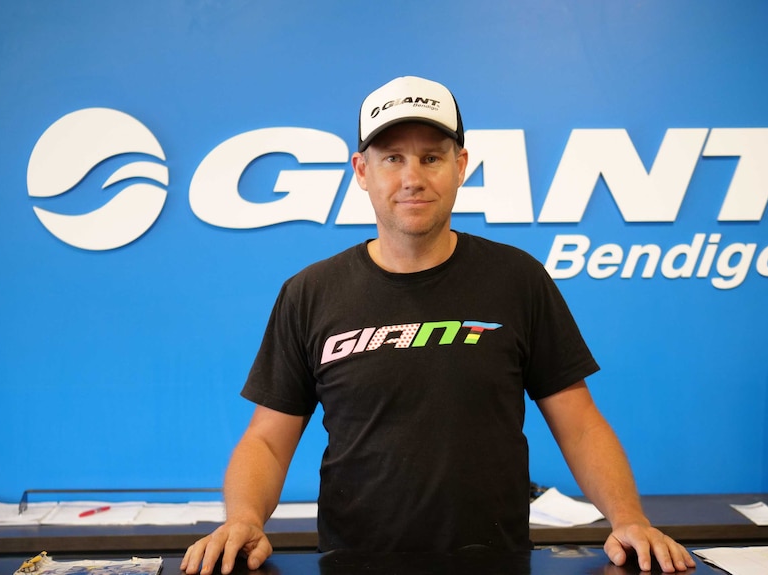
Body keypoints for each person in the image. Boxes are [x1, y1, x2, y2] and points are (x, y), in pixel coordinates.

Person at [181, 76, 695, 574]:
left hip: (496, 561)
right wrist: (244, 519)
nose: (413, 177)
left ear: (461, 165)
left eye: (432, 157)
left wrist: (629, 519)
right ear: (362, 171)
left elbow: (579, 423)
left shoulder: (518, 280)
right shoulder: (311, 293)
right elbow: (267, 440)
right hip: (354, 563)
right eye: (392, 159)